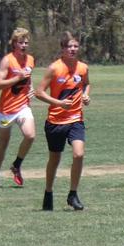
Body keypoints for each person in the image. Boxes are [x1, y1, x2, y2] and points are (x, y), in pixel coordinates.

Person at [35, 31, 91, 210]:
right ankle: (48, 192)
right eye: (69, 46)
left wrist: (86, 95)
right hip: (55, 121)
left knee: (79, 154)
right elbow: (39, 92)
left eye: (75, 46)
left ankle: (73, 194)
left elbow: (86, 83)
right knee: (54, 159)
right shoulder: (54, 68)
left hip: (76, 119)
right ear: (63, 49)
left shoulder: (83, 67)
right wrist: (58, 103)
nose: (73, 49)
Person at [0, 27, 36, 187]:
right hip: (5, 111)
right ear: (14, 44)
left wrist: (30, 88)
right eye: (21, 42)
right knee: (3, 143)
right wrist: (17, 78)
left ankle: (16, 165)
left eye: (26, 42)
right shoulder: (7, 60)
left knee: (30, 135)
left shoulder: (30, 59)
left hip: (23, 106)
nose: (24, 45)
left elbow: (28, 79)